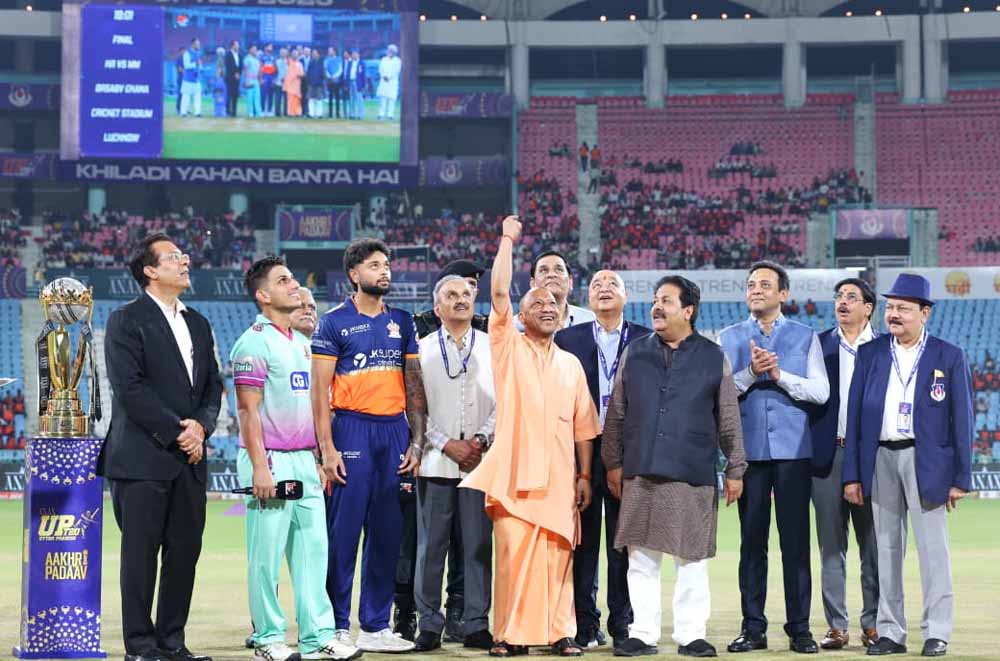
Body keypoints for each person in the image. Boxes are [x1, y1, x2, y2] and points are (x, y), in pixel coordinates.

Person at [460, 215, 601, 658]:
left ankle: (561, 633)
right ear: (520, 316)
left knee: (559, 557)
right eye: (537, 302)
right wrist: (507, 239)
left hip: (560, 479)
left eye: (553, 304)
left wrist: (584, 475)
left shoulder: (571, 365)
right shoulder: (508, 346)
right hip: (514, 476)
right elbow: (499, 291)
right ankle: (508, 635)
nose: (547, 307)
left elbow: (583, 427)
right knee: (513, 556)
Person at [603, 275, 746, 658]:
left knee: (692, 559)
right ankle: (643, 633)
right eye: (655, 299)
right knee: (641, 559)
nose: (656, 306)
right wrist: (612, 462)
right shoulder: (635, 352)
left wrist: (736, 468)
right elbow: (617, 412)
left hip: (692, 471)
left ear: (688, 310)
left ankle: (691, 635)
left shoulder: (713, 356)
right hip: (641, 469)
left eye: (666, 300)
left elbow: (728, 416)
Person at [99, 233, 223, 661]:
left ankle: (172, 642)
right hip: (141, 458)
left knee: (184, 553)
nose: (184, 260)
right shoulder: (126, 320)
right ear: (150, 270)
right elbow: (130, 388)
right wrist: (178, 432)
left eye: (183, 255)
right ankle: (140, 646)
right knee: (140, 556)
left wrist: (202, 427)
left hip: (190, 458)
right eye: (173, 256)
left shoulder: (198, 323)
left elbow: (213, 386)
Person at [231, 257, 360, 661]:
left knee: (313, 551)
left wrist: (320, 458)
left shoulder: (304, 345)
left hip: (304, 460)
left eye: (291, 278)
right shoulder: (252, 343)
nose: (293, 285)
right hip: (270, 460)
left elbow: (314, 409)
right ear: (263, 295)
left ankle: (317, 636)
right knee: (266, 556)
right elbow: (248, 411)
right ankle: (268, 638)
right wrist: (260, 468)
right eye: (283, 280)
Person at [843, 273, 973, 658]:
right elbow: (854, 419)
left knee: (934, 551)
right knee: (885, 550)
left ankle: (937, 632)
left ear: (924, 313)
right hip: (880, 457)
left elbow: (962, 421)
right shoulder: (871, 353)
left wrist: (960, 478)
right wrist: (852, 474)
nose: (894, 314)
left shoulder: (949, 356)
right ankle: (890, 632)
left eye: (903, 308)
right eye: (890, 307)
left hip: (926, 461)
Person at [310, 238, 421, 653]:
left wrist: (416, 441)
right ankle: (336, 625)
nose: (384, 271)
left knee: (388, 534)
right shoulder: (333, 322)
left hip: (394, 432)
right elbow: (319, 392)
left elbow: (414, 387)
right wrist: (327, 449)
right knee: (343, 532)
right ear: (354, 274)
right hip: (352, 429)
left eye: (386, 264)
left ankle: (375, 626)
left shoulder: (402, 321)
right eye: (375, 265)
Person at [719, 261, 829, 655]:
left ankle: (800, 628)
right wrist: (751, 372)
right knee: (752, 544)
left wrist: (781, 377)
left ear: (783, 293)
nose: (756, 289)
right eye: (751, 284)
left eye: (765, 284)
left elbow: (821, 392)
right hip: (748, 455)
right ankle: (753, 628)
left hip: (794, 454)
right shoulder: (728, 337)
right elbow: (720, 394)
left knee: (796, 545)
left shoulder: (806, 336)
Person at [554, 270, 651, 650]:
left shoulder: (646, 339)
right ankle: (584, 622)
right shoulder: (567, 339)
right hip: (583, 450)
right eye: (596, 285)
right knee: (583, 544)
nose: (604, 289)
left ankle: (622, 623)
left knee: (623, 544)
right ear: (588, 299)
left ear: (626, 296)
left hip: (631, 452)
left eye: (613, 284)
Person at [397, 259, 489, 644]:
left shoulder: (493, 346)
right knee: (431, 548)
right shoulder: (420, 350)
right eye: (451, 295)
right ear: (437, 307)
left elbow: (505, 403)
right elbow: (414, 407)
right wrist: (447, 443)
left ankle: (477, 623)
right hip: (437, 461)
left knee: (478, 548)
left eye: (466, 293)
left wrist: (481, 439)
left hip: (482, 463)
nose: (460, 299)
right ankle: (430, 625)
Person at [809, 278, 880, 650]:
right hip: (828, 457)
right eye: (839, 296)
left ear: (868, 307)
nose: (843, 302)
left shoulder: (885, 348)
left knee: (874, 546)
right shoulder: (818, 345)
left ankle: (874, 624)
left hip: (872, 459)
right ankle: (837, 625)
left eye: (852, 297)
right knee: (830, 547)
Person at [515, 250, 595, 331]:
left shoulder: (590, 321)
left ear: (570, 282)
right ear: (533, 283)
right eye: (543, 271)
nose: (551, 275)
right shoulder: (516, 326)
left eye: (559, 270)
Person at [376, 44, 401, 120]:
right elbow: (380, 69)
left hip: (392, 82)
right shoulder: (384, 59)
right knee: (383, 98)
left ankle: (390, 115)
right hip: (384, 81)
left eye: (391, 50)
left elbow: (396, 71)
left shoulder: (398, 61)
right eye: (389, 50)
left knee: (391, 99)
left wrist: (389, 77)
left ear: (395, 52)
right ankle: (381, 114)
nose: (390, 52)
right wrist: (383, 76)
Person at [179, 39, 203, 117]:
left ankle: (198, 112)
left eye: (199, 44)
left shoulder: (198, 53)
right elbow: (186, 66)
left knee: (198, 96)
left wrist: (201, 68)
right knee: (186, 96)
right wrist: (196, 63)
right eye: (197, 44)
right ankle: (183, 112)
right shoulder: (187, 53)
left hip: (197, 79)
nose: (199, 45)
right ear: (193, 44)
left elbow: (199, 65)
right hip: (188, 79)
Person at [283, 50, 304, 118]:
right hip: (289, 85)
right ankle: (290, 113)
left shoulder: (300, 64)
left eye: (296, 54)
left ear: (298, 55)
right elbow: (286, 57)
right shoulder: (289, 62)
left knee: (297, 100)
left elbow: (302, 74)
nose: (295, 55)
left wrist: (300, 75)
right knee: (290, 100)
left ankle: (298, 113)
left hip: (297, 85)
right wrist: (288, 49)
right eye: (293, 54)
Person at [243, 45, 262, 118]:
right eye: (254, 49)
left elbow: (259, 71)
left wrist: (260, 79)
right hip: (250, 79)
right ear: (250, 50)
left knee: (257, 97)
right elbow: (246, 70)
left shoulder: (257, 60)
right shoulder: (247, 59)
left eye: (256, 49)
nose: (255, 51)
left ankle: (258, 112)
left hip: (256, 79)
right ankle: (250, 112)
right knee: (250, 97)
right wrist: (247, 80)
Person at [325, 47, 344, 118]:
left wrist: (335, 76)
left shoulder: (339, 59)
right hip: (329, 81)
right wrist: (330, 76)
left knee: (337, 97)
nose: (329, 52)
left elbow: (340, 69)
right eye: (329, 51)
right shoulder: (327, 60)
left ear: (334, 51)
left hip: (337, 81)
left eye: (330, 51)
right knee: (330, 97)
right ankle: (330, 113)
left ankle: (337, 113)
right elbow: (325, 69)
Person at [347, 49, 366, 120]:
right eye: (353, 54)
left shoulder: (361, 63)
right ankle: (352, 114)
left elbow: (363, 74)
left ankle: (360, 114)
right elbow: (348, 73)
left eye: (355, 54)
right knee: (351, 99)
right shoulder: (350, 63)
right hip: (351, 82)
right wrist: (347, 83)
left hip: (357, 83)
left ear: (358, 55)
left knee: (359, 99)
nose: (353, 55)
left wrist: (364, 84)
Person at [306, 49, 326, 118]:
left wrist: (322, 82)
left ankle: (319, 114)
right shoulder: (310, 62)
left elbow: (323, 74)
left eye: (315, 53)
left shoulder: (321, 62)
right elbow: (308, 73)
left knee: (319, 99)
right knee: (311, 99)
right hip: (311, 84)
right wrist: (308, 81)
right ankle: (311, 113)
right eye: (313, 53)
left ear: (318, 54)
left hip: (319, 84)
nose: (313, 55)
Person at [225, 40, 242, 117]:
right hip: (230, 77)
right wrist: (235, 73)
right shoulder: (228, 54)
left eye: (238, 44)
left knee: (235, 94)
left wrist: (238, 73)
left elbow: (240, 66)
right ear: (232, 46)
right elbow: (229, 66)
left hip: (237, 78)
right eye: (236, 44)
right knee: (229, 94)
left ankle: (234, 112)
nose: (238, 46)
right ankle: (228, 111)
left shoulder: (239, 55)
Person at [260, 44, 277, 116]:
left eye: (271, 47)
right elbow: (260, 68)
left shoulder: (273, 57)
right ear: (265, 48)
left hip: (271, 77)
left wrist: (274, 79)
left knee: (271, 94)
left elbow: (275, 69)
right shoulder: (262, 57)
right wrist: (261, 78)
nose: (271, 48)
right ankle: (262, 110)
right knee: (263, 95)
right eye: (269, 47)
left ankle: (270, 110)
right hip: (265, 76)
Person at [174, 46, 186, 115]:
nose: (184, 52)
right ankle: (178, 108)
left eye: (184, 51)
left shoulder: (186, 59)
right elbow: (179, 69)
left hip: (187, 80)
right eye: (183, 51)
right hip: (181, 79)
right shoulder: (179, 59)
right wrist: (187, 73)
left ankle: (185, 108)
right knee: (180, 94)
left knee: (186, 95)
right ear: (180, 52)